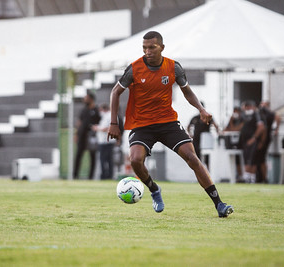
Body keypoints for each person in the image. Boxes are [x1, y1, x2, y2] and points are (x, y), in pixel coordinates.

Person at [107, 31, 233, 217]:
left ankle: (219, 204)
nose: (147, 51)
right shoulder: (134, 68)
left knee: (192, 158)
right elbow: (115, 92)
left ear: (162, 48)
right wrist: (113, 123)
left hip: (168, 122)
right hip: (142, 125)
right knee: (135, 160)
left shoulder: (173, 67)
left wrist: (201, 109)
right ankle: (154, 189)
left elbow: (187, 91)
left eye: (152, 47)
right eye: (144, 48)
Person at [73, 91, 101, 180]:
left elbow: (100, 122)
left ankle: (91, 176)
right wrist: (76, 134)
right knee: (78, 155)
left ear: (91, 99)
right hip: (82, 136)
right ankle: (75, 175)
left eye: (86, 98)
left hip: (91, 137)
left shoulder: (96, 110)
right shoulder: (83, 110)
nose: (84, 100)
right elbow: (79, 122)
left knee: (92, 156)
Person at [238, 100, 265, 183]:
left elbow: (261, 127)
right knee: (246, 158)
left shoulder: (256, 115)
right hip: (245, 141)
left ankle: (250, 177)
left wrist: (254, 138)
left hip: (253, 141)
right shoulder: (243, 116)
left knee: (252, 159)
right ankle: (248, 177)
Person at [256, 101, 281, 183]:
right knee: (258, 159)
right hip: (261, 139)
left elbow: (277, 118)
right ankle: (260, 177)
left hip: (264, 139)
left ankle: (264, 178)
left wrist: (276, 129)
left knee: (261, 159)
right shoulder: (260, 113)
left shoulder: (268, 113)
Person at [93, 103, 117, 179]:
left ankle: (106, 175)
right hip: (105, 141)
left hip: (106, 141)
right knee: (107, 159)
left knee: (105, 159)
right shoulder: (107, 116)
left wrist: (97, 128)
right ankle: (107, 175)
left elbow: (106, 128)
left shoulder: (109, 116)